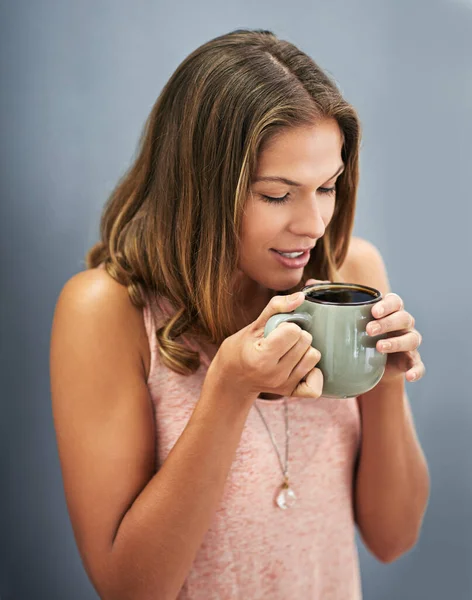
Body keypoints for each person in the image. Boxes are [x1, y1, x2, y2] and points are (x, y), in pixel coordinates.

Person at [50, 28, 430, 600]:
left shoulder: (353, 275)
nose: (313, 224)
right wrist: (227, 391)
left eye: (327, 187)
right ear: (199, 188)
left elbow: (393, 537)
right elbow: (130, 589)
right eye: (277, 195)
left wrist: (384, 384)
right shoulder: (106, 312)